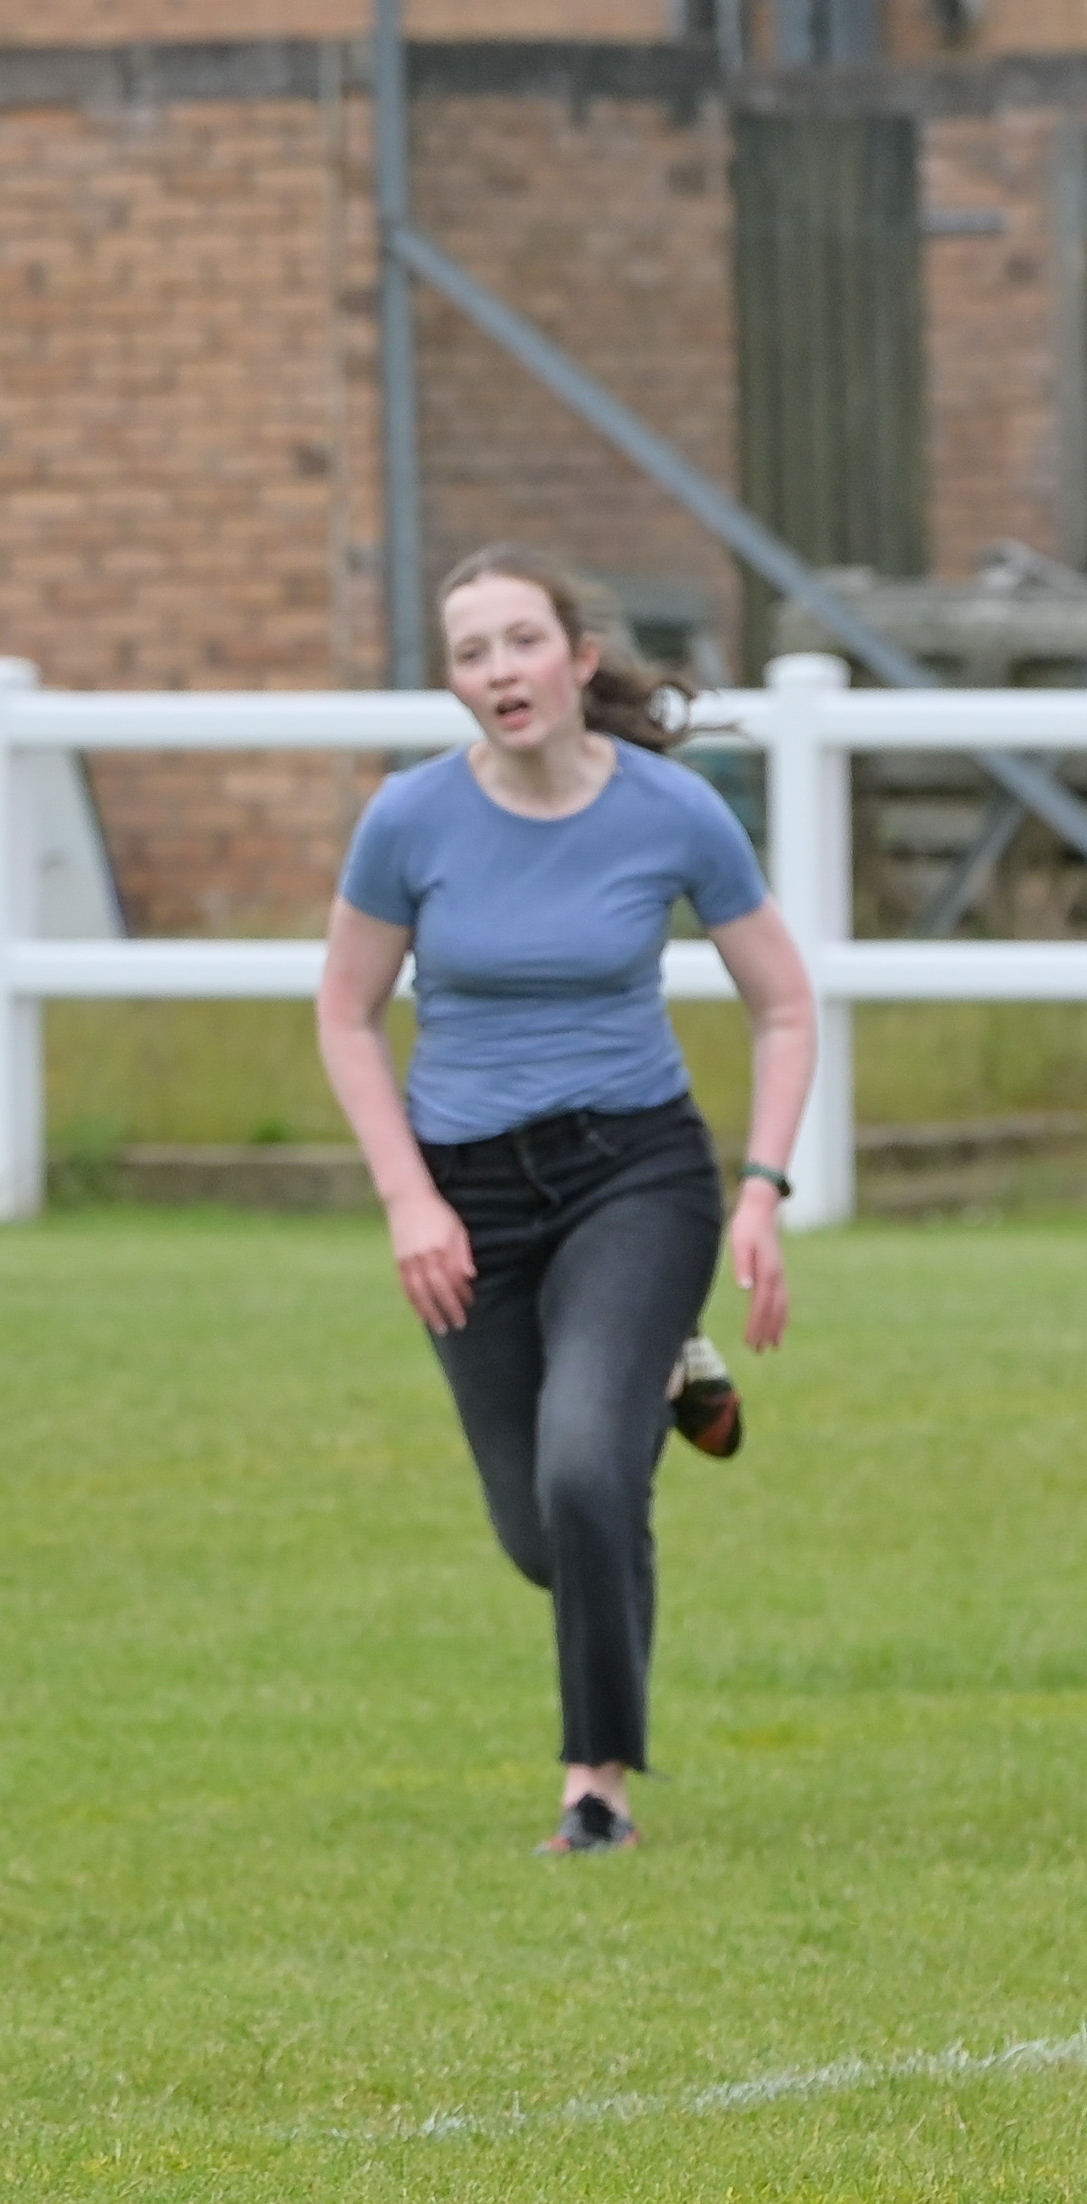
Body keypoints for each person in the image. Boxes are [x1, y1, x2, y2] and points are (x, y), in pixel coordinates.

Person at [316, 545, 817, 1855]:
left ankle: (596, 1787)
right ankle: (666, 1366)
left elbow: (783, 1003)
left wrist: (761, 1189)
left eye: (522, 641)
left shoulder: (673, 811)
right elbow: (346, 1012)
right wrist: (407, 1199)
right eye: (471, 652)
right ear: (456, 682)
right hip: (466, 1190)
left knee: (590, 1469)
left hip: (633, 1172)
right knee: (546, 1532)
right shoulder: (409, 819)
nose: (501, 670)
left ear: (580, 659)